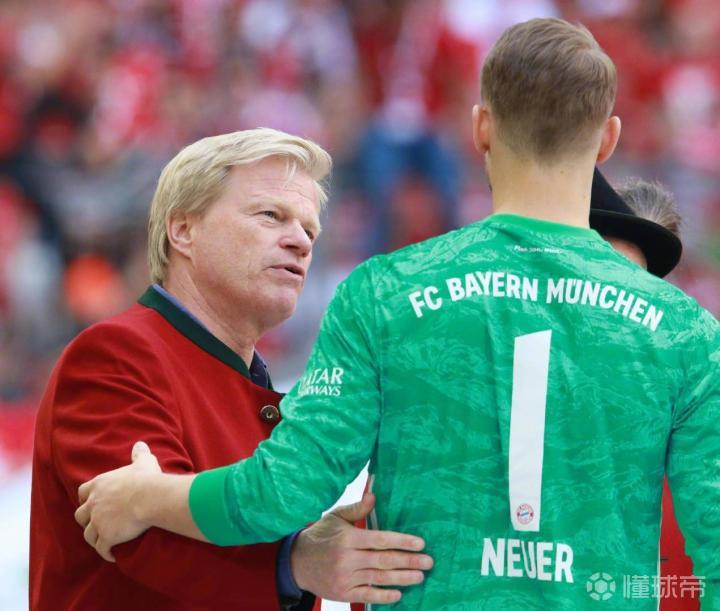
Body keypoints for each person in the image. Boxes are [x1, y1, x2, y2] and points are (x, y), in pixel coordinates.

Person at [76, 19, 719, 609]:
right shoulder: (687, 332)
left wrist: (149, 496)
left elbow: (281, 492)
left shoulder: (385, 292)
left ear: (481, 127)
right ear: (607, 140)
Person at [29, 128, 433, 611]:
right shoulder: (114, 355)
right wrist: (298, 562)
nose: (301, 243)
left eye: (310, 231)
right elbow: (143, 538)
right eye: (271, 216)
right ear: (183, 230)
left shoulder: (253, 386)